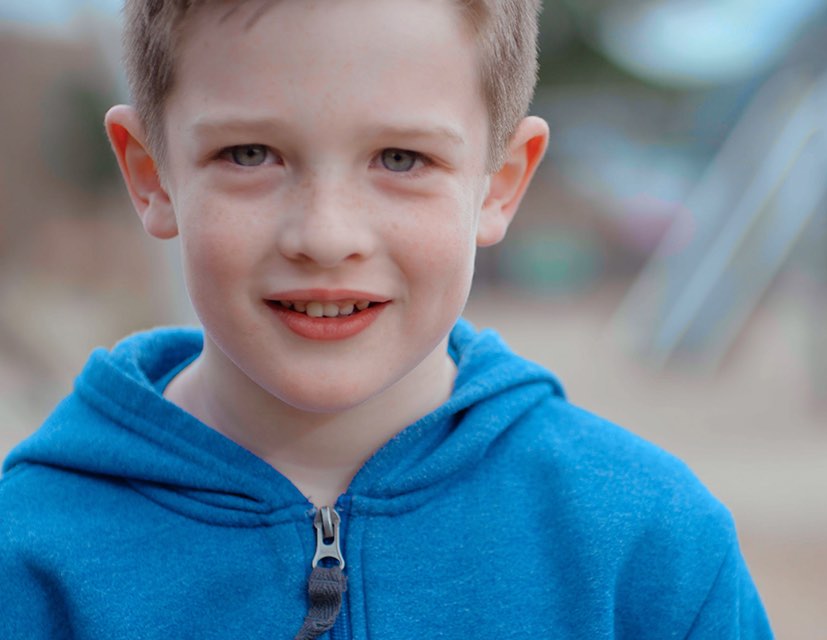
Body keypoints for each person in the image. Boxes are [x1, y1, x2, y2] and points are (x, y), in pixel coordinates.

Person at [0, 0, 774, 638]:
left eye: (400, 160)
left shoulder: (646, 544)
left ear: (500, 183)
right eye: (249, 154)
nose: (326, 235)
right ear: (150, 173)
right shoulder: (31, 556)